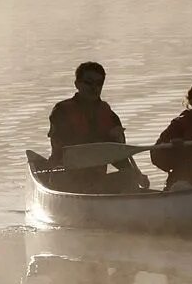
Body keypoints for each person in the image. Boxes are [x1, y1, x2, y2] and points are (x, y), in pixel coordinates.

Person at [47, 61, 150, 193]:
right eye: (88, 83)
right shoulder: (61, 111)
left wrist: (135, 173)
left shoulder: (109, 115)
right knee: (67, 178)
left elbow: (118, 155)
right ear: (77, 84)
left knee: (129, 178)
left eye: (99, 83)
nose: (94, 88)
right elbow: (64, 147)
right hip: (65, 176)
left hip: (97, 179)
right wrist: (106, 138)